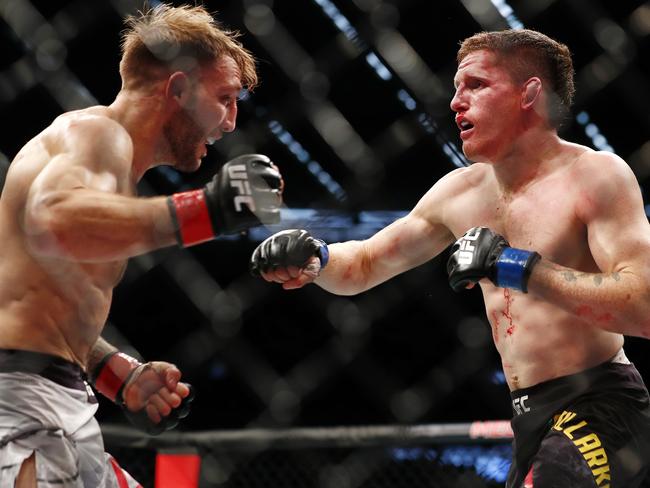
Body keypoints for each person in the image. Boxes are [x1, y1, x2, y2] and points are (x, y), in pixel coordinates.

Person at [250, 28, 650, 487]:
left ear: (530, 94)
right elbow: (362, 265)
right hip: (530, 417)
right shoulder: (460, 192)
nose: (456, 103)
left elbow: (643, 306)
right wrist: (315, 255)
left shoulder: (595, 175)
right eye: (456, 89)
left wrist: (518, 266)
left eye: (476, 85)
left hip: (602, 403)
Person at [0, 3, 282, 487]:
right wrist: (206, 211)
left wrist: (118, 375)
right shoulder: (97, 133)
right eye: (225, 98)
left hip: (53, 393)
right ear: (178, 89)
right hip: (22, 400)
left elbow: (32, 298)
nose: (231, 122)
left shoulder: (104, 162)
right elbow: (55, 219)